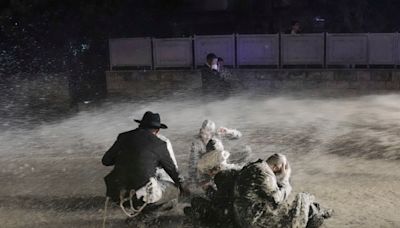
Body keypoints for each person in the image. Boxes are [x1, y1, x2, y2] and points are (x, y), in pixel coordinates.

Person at [101, 111, 187, 213]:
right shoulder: (159, 144)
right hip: (140, 195)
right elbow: (172, 170)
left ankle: (138, 210)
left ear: (140, 125)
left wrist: (127, 158)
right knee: (174, 192)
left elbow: (106, 161)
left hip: (117, 193)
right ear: (158, 130)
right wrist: (182, 188)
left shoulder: (123, 137)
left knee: (139, 187)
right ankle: (144, 218)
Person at [233, 154, 333, 228]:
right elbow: (276, 199)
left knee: (299, 207)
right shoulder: (265, 173)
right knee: (305, 204)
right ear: (277, 166)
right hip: (255, 220)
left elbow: (265, 191)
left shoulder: (253, 167)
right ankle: (319, 212)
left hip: (243, 214)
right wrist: (285, 179)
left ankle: (319, 210)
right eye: (283, 167)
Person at [188, 119, 248, 188]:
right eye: (204, 133)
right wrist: (195, 180)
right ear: (201, 131)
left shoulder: (217, 135)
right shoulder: (197, 143)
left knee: (245, 149)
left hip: (223, 158)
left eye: (210, 133)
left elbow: (238, 135)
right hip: (209, 166)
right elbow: (193, 161)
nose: (207, 136)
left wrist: (228, 131)